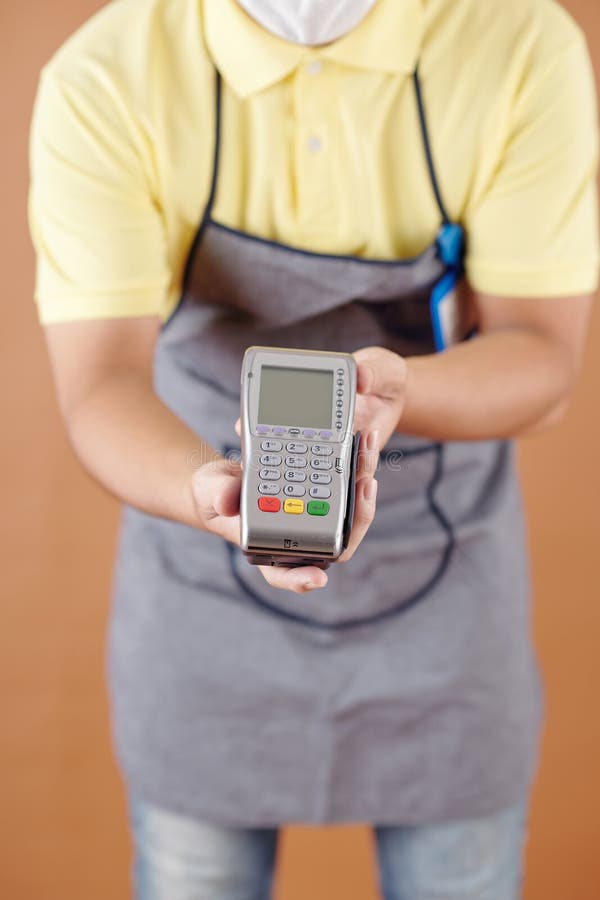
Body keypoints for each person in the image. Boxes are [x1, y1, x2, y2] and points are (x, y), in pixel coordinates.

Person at [28, 0, 598, 898]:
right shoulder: (109, 77)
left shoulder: (518, 43)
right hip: (204, 576)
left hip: (447, 604)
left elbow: (546, 362)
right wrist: (207, 489)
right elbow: (100, 384)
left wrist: (397, 394)